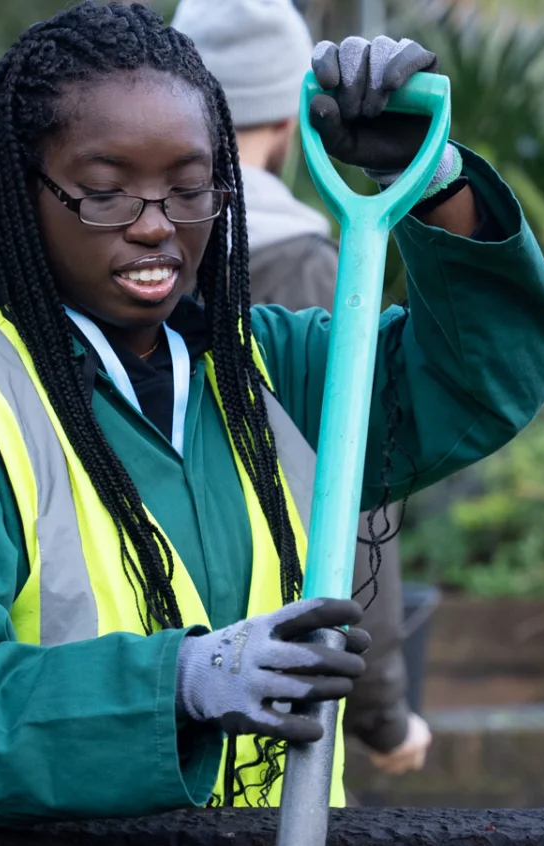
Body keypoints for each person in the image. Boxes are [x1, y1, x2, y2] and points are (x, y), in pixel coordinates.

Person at [0, 2, 544, 825]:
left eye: (189, 190)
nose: (156, 227)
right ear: (25, 190)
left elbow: (483, 377)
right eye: (106, 194)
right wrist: (181, 683)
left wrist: (434, 180)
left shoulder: (269, 370)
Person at [171, 0, 429, 776]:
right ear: (293, 120)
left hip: (143, 689)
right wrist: (383, 715)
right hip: (278, 703)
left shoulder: (112, 257)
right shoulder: (314, 274)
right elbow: (351, 502)